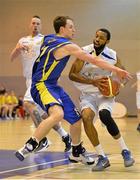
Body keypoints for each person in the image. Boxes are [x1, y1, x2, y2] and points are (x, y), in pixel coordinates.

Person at [15, 16, 131, 165]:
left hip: (53, 86)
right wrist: (117, 70)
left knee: (76, 120)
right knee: (58, 114)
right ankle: (32, 143)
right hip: (41, 84)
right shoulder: (68, 46)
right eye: (71, 27)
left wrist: (23, 46)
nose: (74, 30)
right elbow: (95, 60)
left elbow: (35, 44)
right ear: (62, 29)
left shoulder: (48, 38)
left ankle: (76, 153)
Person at [69, 28, 135, 171]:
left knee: (105, 115)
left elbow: (123, 74)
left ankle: (125, 151)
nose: (97, 39)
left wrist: (119, 86)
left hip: (105, 95)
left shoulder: (112, 55)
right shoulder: (84, 52)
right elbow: (72, 75)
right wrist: (91, 82)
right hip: (87, 95)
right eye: (96, 36)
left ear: (107, 41)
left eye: (101, 38)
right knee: (86, 118)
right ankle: (102, 157)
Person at [10, 15, 71, 152]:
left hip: (39, 79)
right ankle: (65, 136)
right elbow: (12, 58)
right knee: (45, 115)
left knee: (27, 103)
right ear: (29, 25)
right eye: (33, 23)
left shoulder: (44, 39)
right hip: (29, 80)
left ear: (41, 26)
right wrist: (17, 49)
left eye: (38, 23)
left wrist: (53, 75)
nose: (35, 25)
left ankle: (42, 140)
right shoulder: (23, 40)